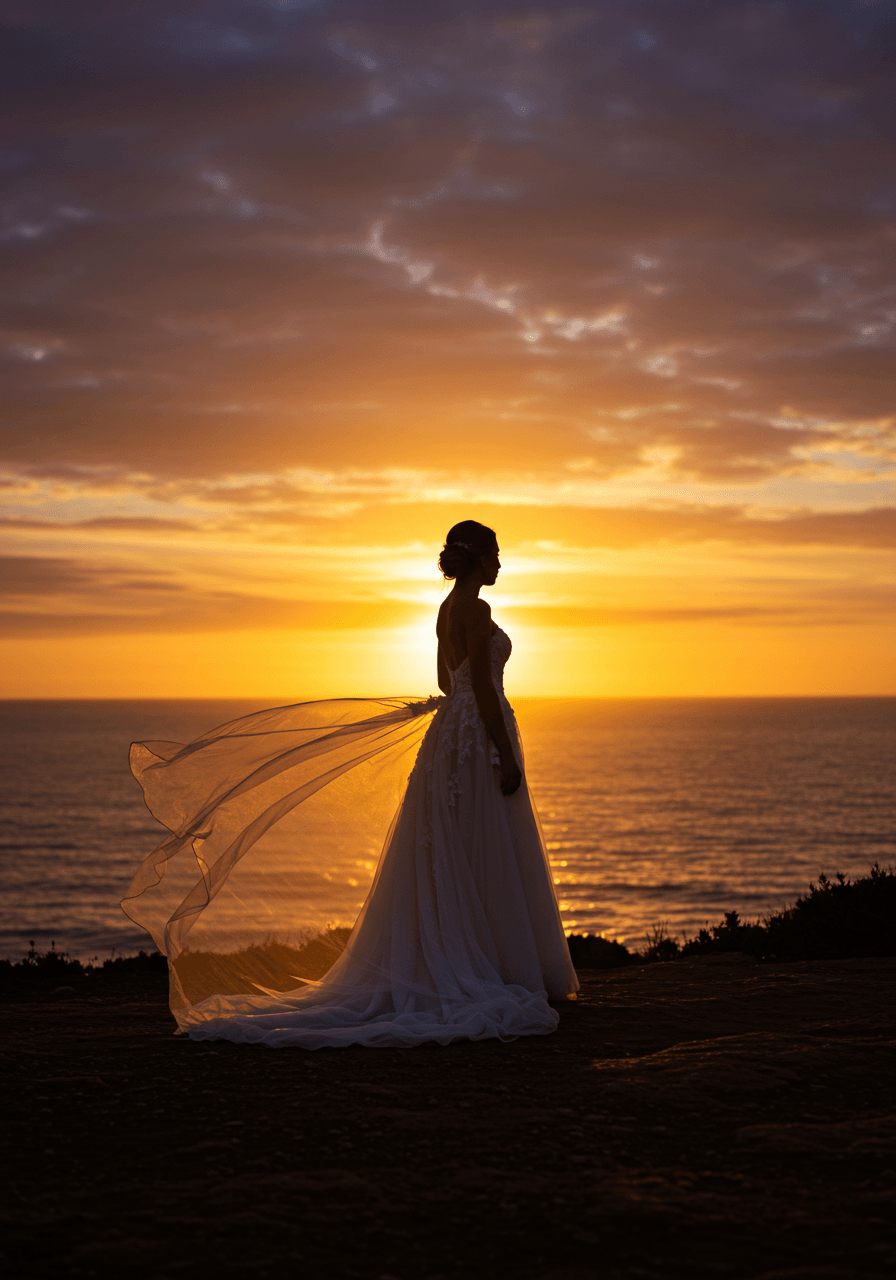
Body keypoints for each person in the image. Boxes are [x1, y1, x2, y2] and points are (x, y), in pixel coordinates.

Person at [122, 520, 579, 1048]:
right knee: (489, 845)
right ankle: (498, 966)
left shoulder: (444, 609)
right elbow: (478, 686)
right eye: (495, 554)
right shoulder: (477, 611)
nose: (500, 563)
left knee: (459, 846)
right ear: (477, 558)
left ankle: (473, 960)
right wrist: (504, 752)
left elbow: (443, 680)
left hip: (451, 737)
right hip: (478, 735)